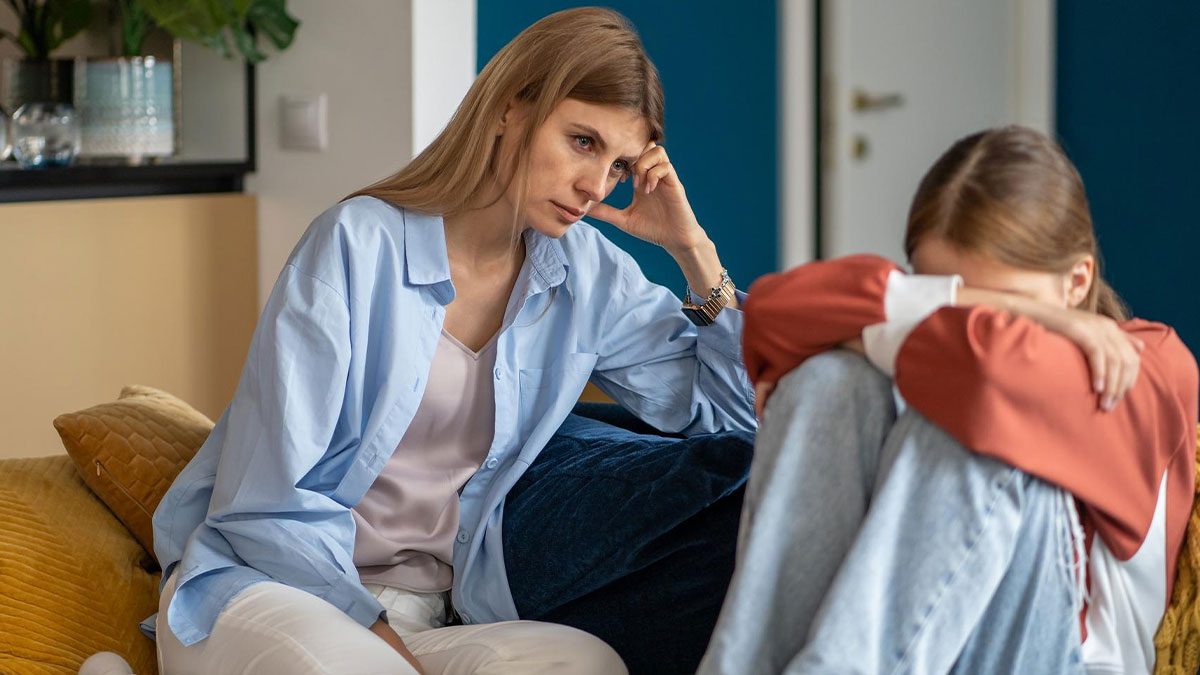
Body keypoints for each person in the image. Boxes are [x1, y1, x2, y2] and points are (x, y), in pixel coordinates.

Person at [146, 7, 755, 674]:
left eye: (619, 166)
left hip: (426, 612)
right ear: (510, 108)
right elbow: (269, 503)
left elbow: (738, 423)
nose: (594, 186)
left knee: (587, 661)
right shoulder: (357, 244)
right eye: (583, 141)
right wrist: (380, 643)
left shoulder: (588, 275)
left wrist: (694, 251)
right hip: (272, 587)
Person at [698, 126, 1199, 674]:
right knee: (833, 379)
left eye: (1004, 308)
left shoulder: (1151, 366)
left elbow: (991, 375)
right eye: (943, 299)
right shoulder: (949, 352)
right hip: (931, 642)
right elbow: (770, 312)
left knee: (973, 418)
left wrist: (866, 324)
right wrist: (1020, 310)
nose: (965, 324)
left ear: (1076, 282)